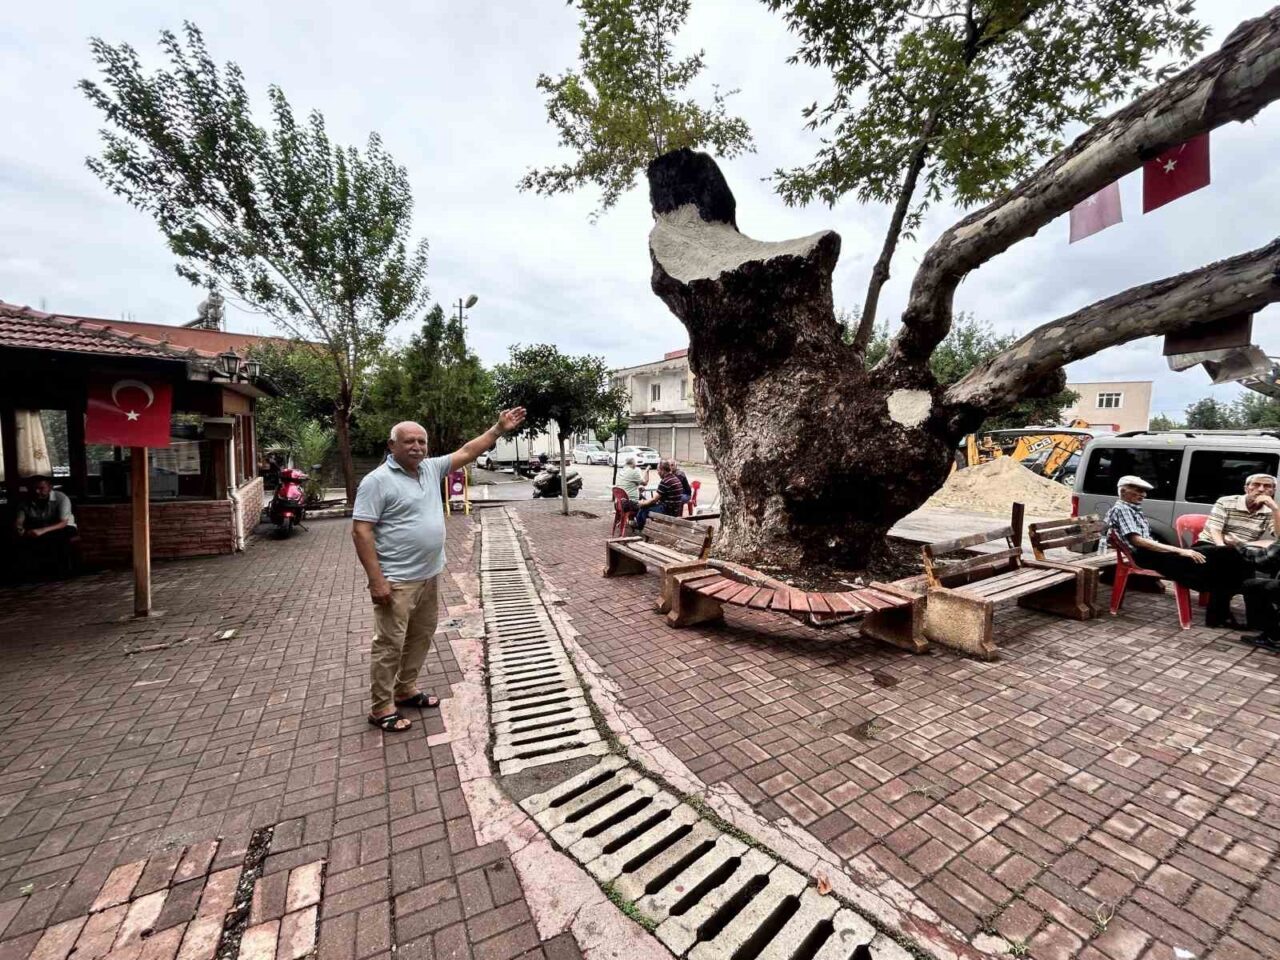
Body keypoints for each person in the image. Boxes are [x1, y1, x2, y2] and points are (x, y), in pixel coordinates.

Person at [353, 407, 526, 733]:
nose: (417, 447)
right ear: (392, 445)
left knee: (420, 636)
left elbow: (468, 451)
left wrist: (498, 429)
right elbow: (361, 531)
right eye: (409, 441)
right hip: (397, 580)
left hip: (429, 574)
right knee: (389, 644)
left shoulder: (430, 469)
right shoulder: (377, 481)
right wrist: (376, 581)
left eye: (421, 441)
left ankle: (405, 689)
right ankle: (380, 707)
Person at [1106, 474, 1249, 628]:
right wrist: (1180, 551)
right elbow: (1138, 541)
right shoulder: (1122, 509)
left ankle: (1219, 614)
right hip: (1145, 556)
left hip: (1153, 553)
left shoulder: (1131, 508)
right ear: (1123, 491)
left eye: (1144, 491)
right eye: (1139, 490)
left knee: (1226, 559)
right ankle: (1222, 613)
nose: (1144, 495)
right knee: (1227, 557)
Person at [1196, 474, 1280, 547]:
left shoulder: (1271, 510)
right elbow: (1215, 530)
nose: (1261, 489)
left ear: (1273, 491)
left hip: (1242, 548)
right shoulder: (1225, 502)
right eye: (1256, 484)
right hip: (1212, 544)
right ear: (1246, 489)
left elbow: (1278, 536)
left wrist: (1275, 510)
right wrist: (1222, 548)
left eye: (1267, 486)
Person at [15, 477, 78, 574]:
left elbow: (63, 523)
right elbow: (19, 521)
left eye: (41, 488)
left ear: (50, 488)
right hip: (40, 527)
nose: (37, 491)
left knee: (56, 536)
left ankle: (61, 570)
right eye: (34, 488)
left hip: (63, 527)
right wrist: (20, 530)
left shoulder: (61, 498)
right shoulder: (25, 501)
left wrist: (42, 531)